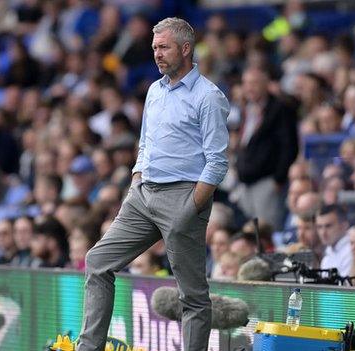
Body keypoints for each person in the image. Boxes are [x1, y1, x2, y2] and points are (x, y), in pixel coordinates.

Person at [77, 18, 229, 351]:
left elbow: (217, 163)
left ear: (186, 49)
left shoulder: (208, 97)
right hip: (144, 194)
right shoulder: (154, 90)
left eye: (164, 47)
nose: (157, 54)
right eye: (154, 48)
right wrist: (135, 183)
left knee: (192, 295)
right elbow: (145, 144)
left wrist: (191, 208)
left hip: (184, 195)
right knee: (97, 261)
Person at [235, 66, 298, 230]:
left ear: (266, 84)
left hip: (267, 181)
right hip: (246, 182)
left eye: (254, 83)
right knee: (251, 233)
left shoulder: (279, 109)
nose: (249, 88)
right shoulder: (246, 109)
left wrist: (279, 178)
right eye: (246, 83)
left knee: (267, 231)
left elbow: (289, 146)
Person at [316, 204, 352, 277]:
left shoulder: (352, 250)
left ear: (344, 225)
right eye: (319, 227)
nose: (323, 233)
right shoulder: (328, 251)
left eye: (328, 226)